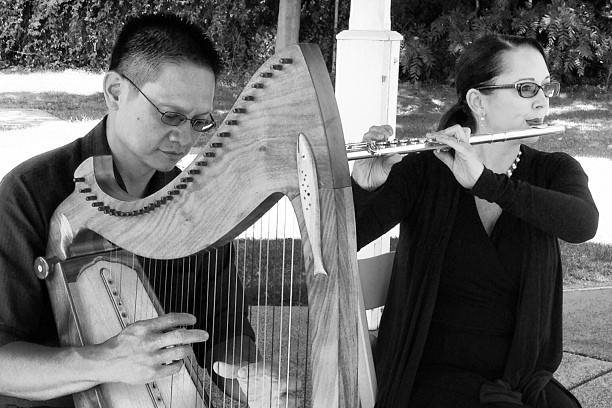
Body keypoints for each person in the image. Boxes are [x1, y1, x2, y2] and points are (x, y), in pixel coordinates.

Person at [0, 13, 298, 408]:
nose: (184, 137)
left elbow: (227, 333)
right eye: (170, 115)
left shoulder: (196, 204)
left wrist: (246, 376)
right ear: (114, 91)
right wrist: (105, 361)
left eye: (199, 122)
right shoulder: (29, 193)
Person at [352, 34, 598, 408]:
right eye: (527, 88)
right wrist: (362, 186)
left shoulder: (553, 170)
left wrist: (486, 182)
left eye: (547, 87)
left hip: (520, 379)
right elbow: (342, 242)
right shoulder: (425, 170)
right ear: (477, 101)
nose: (543, 99)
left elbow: (582, 225)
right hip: (429, 379)